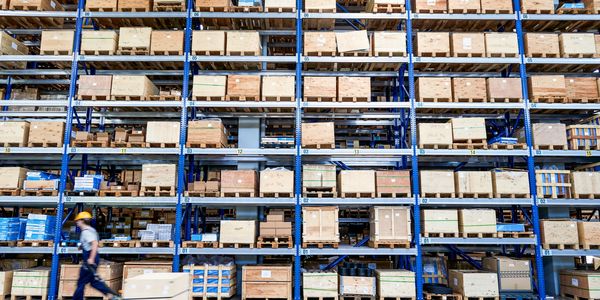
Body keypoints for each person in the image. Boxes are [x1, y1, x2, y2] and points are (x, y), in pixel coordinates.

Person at [73, 211, 121, 300]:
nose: (77, 222)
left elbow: (95, 243)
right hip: (93, 257)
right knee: (94, 281)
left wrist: (91, 258)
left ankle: (77, 299)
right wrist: (82, 246)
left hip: (90, 258)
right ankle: (110, 295)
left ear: (82, 221)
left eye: (78, 221)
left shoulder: (86, 232)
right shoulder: (91, 230)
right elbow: (91, 242)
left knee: (81, 282)